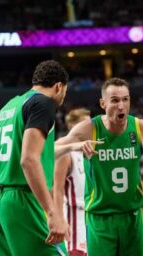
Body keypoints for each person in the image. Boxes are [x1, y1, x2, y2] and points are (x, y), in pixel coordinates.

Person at [0, 60, 91, 256]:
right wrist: (53, 212)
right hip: (24, 200)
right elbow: (28, 160)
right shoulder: (43, 103)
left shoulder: (7, 108)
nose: (64, 96)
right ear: (59, 86)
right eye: (65, 91)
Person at [56, 77, 143, 256]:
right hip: (100, 218)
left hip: (132, 216)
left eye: (125, 99)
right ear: (103, 103)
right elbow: (49, 151)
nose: (121, 105)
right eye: (114, 100)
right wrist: (74, 146)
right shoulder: (89, 128)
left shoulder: (139, 126)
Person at [53, 108, 91, 256]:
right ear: (73, 127)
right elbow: (57, 188)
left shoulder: (91, 150)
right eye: (84, 124)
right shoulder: (66, 153)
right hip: (74, 217)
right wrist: (59, 219)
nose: (89, 128)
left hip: (92, 216)